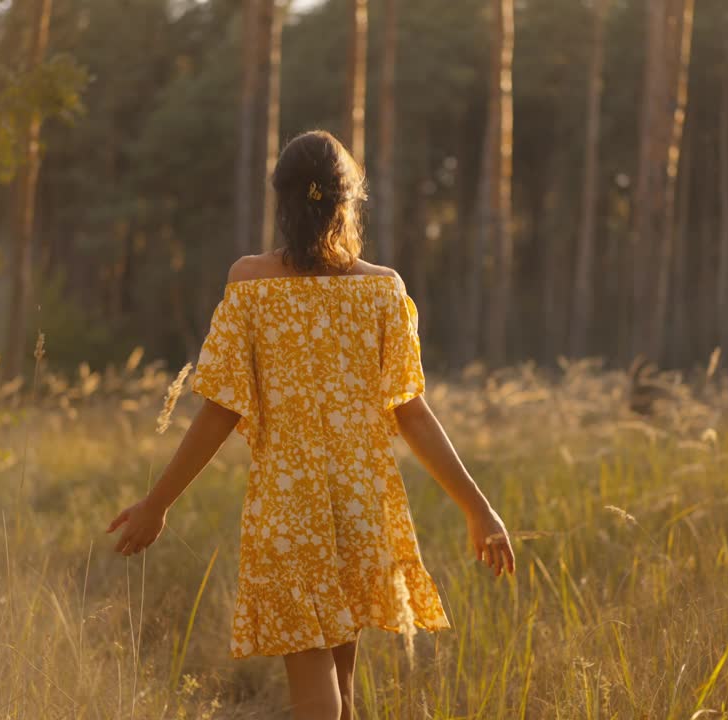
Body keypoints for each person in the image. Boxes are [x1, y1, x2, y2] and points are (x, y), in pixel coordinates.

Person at [106, 130, 514, 720]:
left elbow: (220, 410)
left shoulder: (250, 284)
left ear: (283, 201)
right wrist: (479, 508)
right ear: (348, 202)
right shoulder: (383, 289)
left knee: (317, 695)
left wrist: (157, 503)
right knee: (339, 697)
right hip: (361, 504)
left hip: (288, 508)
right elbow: (413, 413)